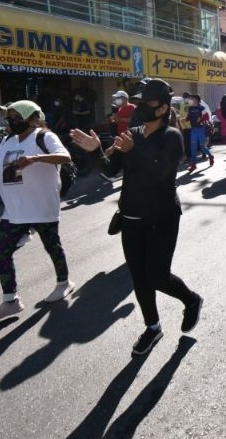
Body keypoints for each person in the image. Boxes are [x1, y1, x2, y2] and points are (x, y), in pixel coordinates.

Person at [71, 78, 203, 356]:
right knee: (139, 277)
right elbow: (110, 171)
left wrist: (135, 150)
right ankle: (152, 327)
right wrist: (95, 152)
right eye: (139, 101)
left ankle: (191, 300)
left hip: (162, 217)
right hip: (131, 218)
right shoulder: (133, 133)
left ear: (162, 108)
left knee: (158, 276)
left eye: (147, 103)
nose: (140, 107)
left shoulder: (172, 137)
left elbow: (158, 174)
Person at [0, 100, 74, 321]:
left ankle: (64, 283)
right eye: (9, 117)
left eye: (16, 117)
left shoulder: (44, 137)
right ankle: (10, 301)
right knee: (1, 251)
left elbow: (65, 156)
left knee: (52, 246)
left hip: (41, 206)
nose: (10, 121)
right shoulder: (8, 140)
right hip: (14, 210)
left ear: (32, 118)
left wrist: (34, 159)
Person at [186, 94, 214, 172]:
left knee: (202, 147)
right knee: (193, 148)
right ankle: (193, 165)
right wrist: (185, 119)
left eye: (192, 99)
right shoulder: (190, 108)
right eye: (190, 99)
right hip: (193, 129)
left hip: (201, 129)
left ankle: (211, 156)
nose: (190, 100)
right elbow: (188, 117)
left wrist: (201, 119)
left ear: (197, 100)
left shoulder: (202, 108)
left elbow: (207, 117)